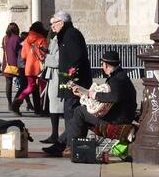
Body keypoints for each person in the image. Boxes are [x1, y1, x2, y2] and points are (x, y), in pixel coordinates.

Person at [46, 50, 137, 157]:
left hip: (117, 121)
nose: (102, 66)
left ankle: (70, 147)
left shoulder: (118, 79)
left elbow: (113, 97)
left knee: (80, 112)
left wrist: (91, 94)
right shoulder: (120, 76)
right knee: (81, 114)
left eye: (102, 64)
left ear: (106, 65)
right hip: (118, 117)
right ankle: (62, 144)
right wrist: (83, 94)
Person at [44, 10, 91, 152]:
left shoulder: (72, 35)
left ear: (62, 23)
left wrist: (71, 78)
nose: (51, 26)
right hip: (69, 83)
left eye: (53, 23)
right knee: (71, 114)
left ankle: (70, 146)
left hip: (74, 84)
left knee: (71, 114)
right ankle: (63, 145)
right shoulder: (64, 35)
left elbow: (77, 58)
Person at [12, 22, 49, 115]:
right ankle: (43, 108)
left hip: (29, 67)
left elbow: (23, 55)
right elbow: (45, 55)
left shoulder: (27, 39)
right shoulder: (42, 39)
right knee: (42, 88)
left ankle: (20, 101)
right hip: (40, 68)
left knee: (31, 87)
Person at [41, 24, 66, 146]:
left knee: (58, 106)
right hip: (53, 76)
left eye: (54, 26)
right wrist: (46, 52)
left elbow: (57, 60)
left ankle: (63, 135)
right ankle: (55, 134)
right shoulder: (54, 40)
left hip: (57, 75)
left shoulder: (61, 40)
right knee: (53, 105)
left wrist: (45, 56)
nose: (52, 28)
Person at [1, 22, 22, 110]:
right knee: (22, 84)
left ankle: (9, 103)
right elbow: (20, 51)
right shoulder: (18, 38)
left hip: (7, 64)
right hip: (17, 63)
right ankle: (25, 102)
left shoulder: (4, 38)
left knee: (8, 83)